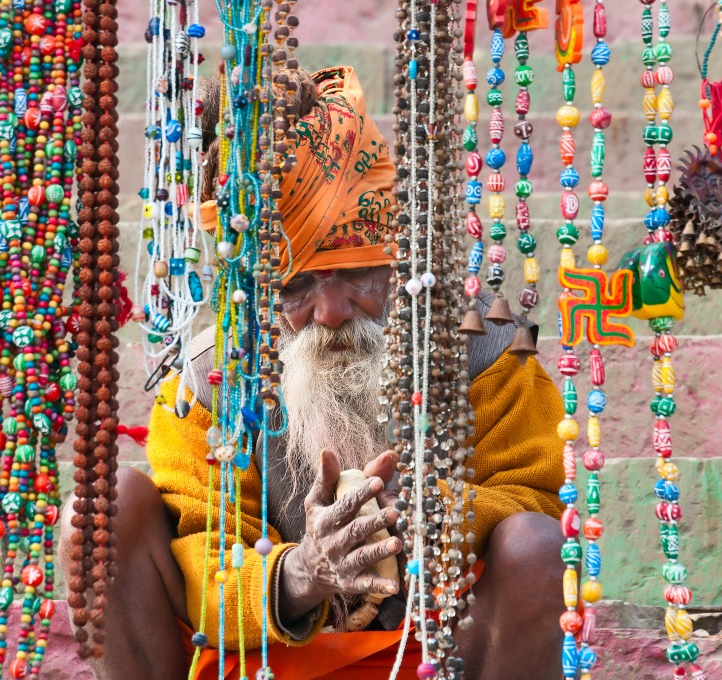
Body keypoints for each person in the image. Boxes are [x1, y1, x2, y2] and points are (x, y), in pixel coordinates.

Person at [61, 65, 566, 680]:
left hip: (439, 652)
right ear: (253, 288)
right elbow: (201, 555)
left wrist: (444, 513)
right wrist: (298, 573)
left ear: (397, 261)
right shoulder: (210, 380)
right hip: (268, 661)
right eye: (297, 287)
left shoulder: (486, 349)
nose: (330, 314)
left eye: (357, 276)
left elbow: (541, 498)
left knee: (538, 546)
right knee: (101, 508)